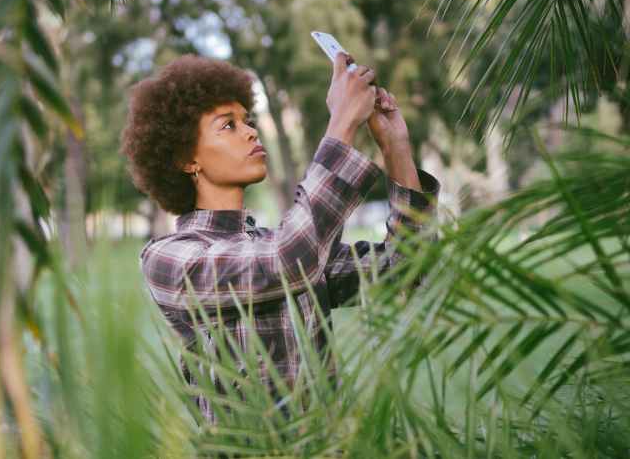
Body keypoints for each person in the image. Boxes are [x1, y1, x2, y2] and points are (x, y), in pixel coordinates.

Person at [120, 51, 441, 427]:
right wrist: (341, 122)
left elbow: (407, 269)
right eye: (228, 125)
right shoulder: (169, 259)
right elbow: (288, 260)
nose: (251, 131)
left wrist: (395, 146)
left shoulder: (280, 243)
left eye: (248, 121)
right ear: (185, 159)